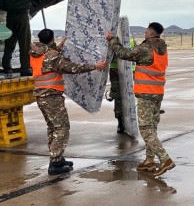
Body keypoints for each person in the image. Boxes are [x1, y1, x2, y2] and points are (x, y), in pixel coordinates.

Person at [31, 29, 107, 175]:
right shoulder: (52, 56)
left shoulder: (36, 53)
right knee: (62, 128)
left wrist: (62, 43)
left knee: (53, 127)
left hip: (41, 96)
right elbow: (73, 68)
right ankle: (54, 163)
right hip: (51, 96)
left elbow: (51, 54)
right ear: (52, 38)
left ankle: (57, 157)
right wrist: (95, 66)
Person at [106, 22, 174, 176]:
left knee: (145, 129)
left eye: (146, 31)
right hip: (158, 92)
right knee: (152, 127)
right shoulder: (162, 48)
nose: (144, 33)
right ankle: (149, 160)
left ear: (150, 33)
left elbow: (123, 54)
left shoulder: (146, 48)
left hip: (146, 93)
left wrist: (112, 40)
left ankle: (165, 159)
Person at [0, 0, 38, 76]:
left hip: (10, 16)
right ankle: (25, 68)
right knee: (24, 43)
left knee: (10, 42)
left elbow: (1, 6)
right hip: (22, 16)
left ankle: (6, 66)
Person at [108, 52, 126, 134]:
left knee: (128, 97)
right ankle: (120, 121)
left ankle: (129, 120)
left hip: (127, 71)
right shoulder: (111, 40)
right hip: (115, 70)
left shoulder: (131, 40)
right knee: (118, 97)